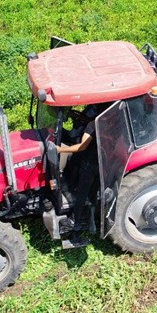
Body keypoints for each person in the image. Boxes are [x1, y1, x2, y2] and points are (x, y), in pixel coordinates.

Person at [57, 105, 100, 246]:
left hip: (91, 163)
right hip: (102, 161)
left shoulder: (92, 125)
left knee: (82, 193)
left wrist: (60, 149)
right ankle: (91, 219)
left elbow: (82, 147)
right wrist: (78, 116)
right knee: (92, 192)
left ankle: (75, 222)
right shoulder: (107, 121)